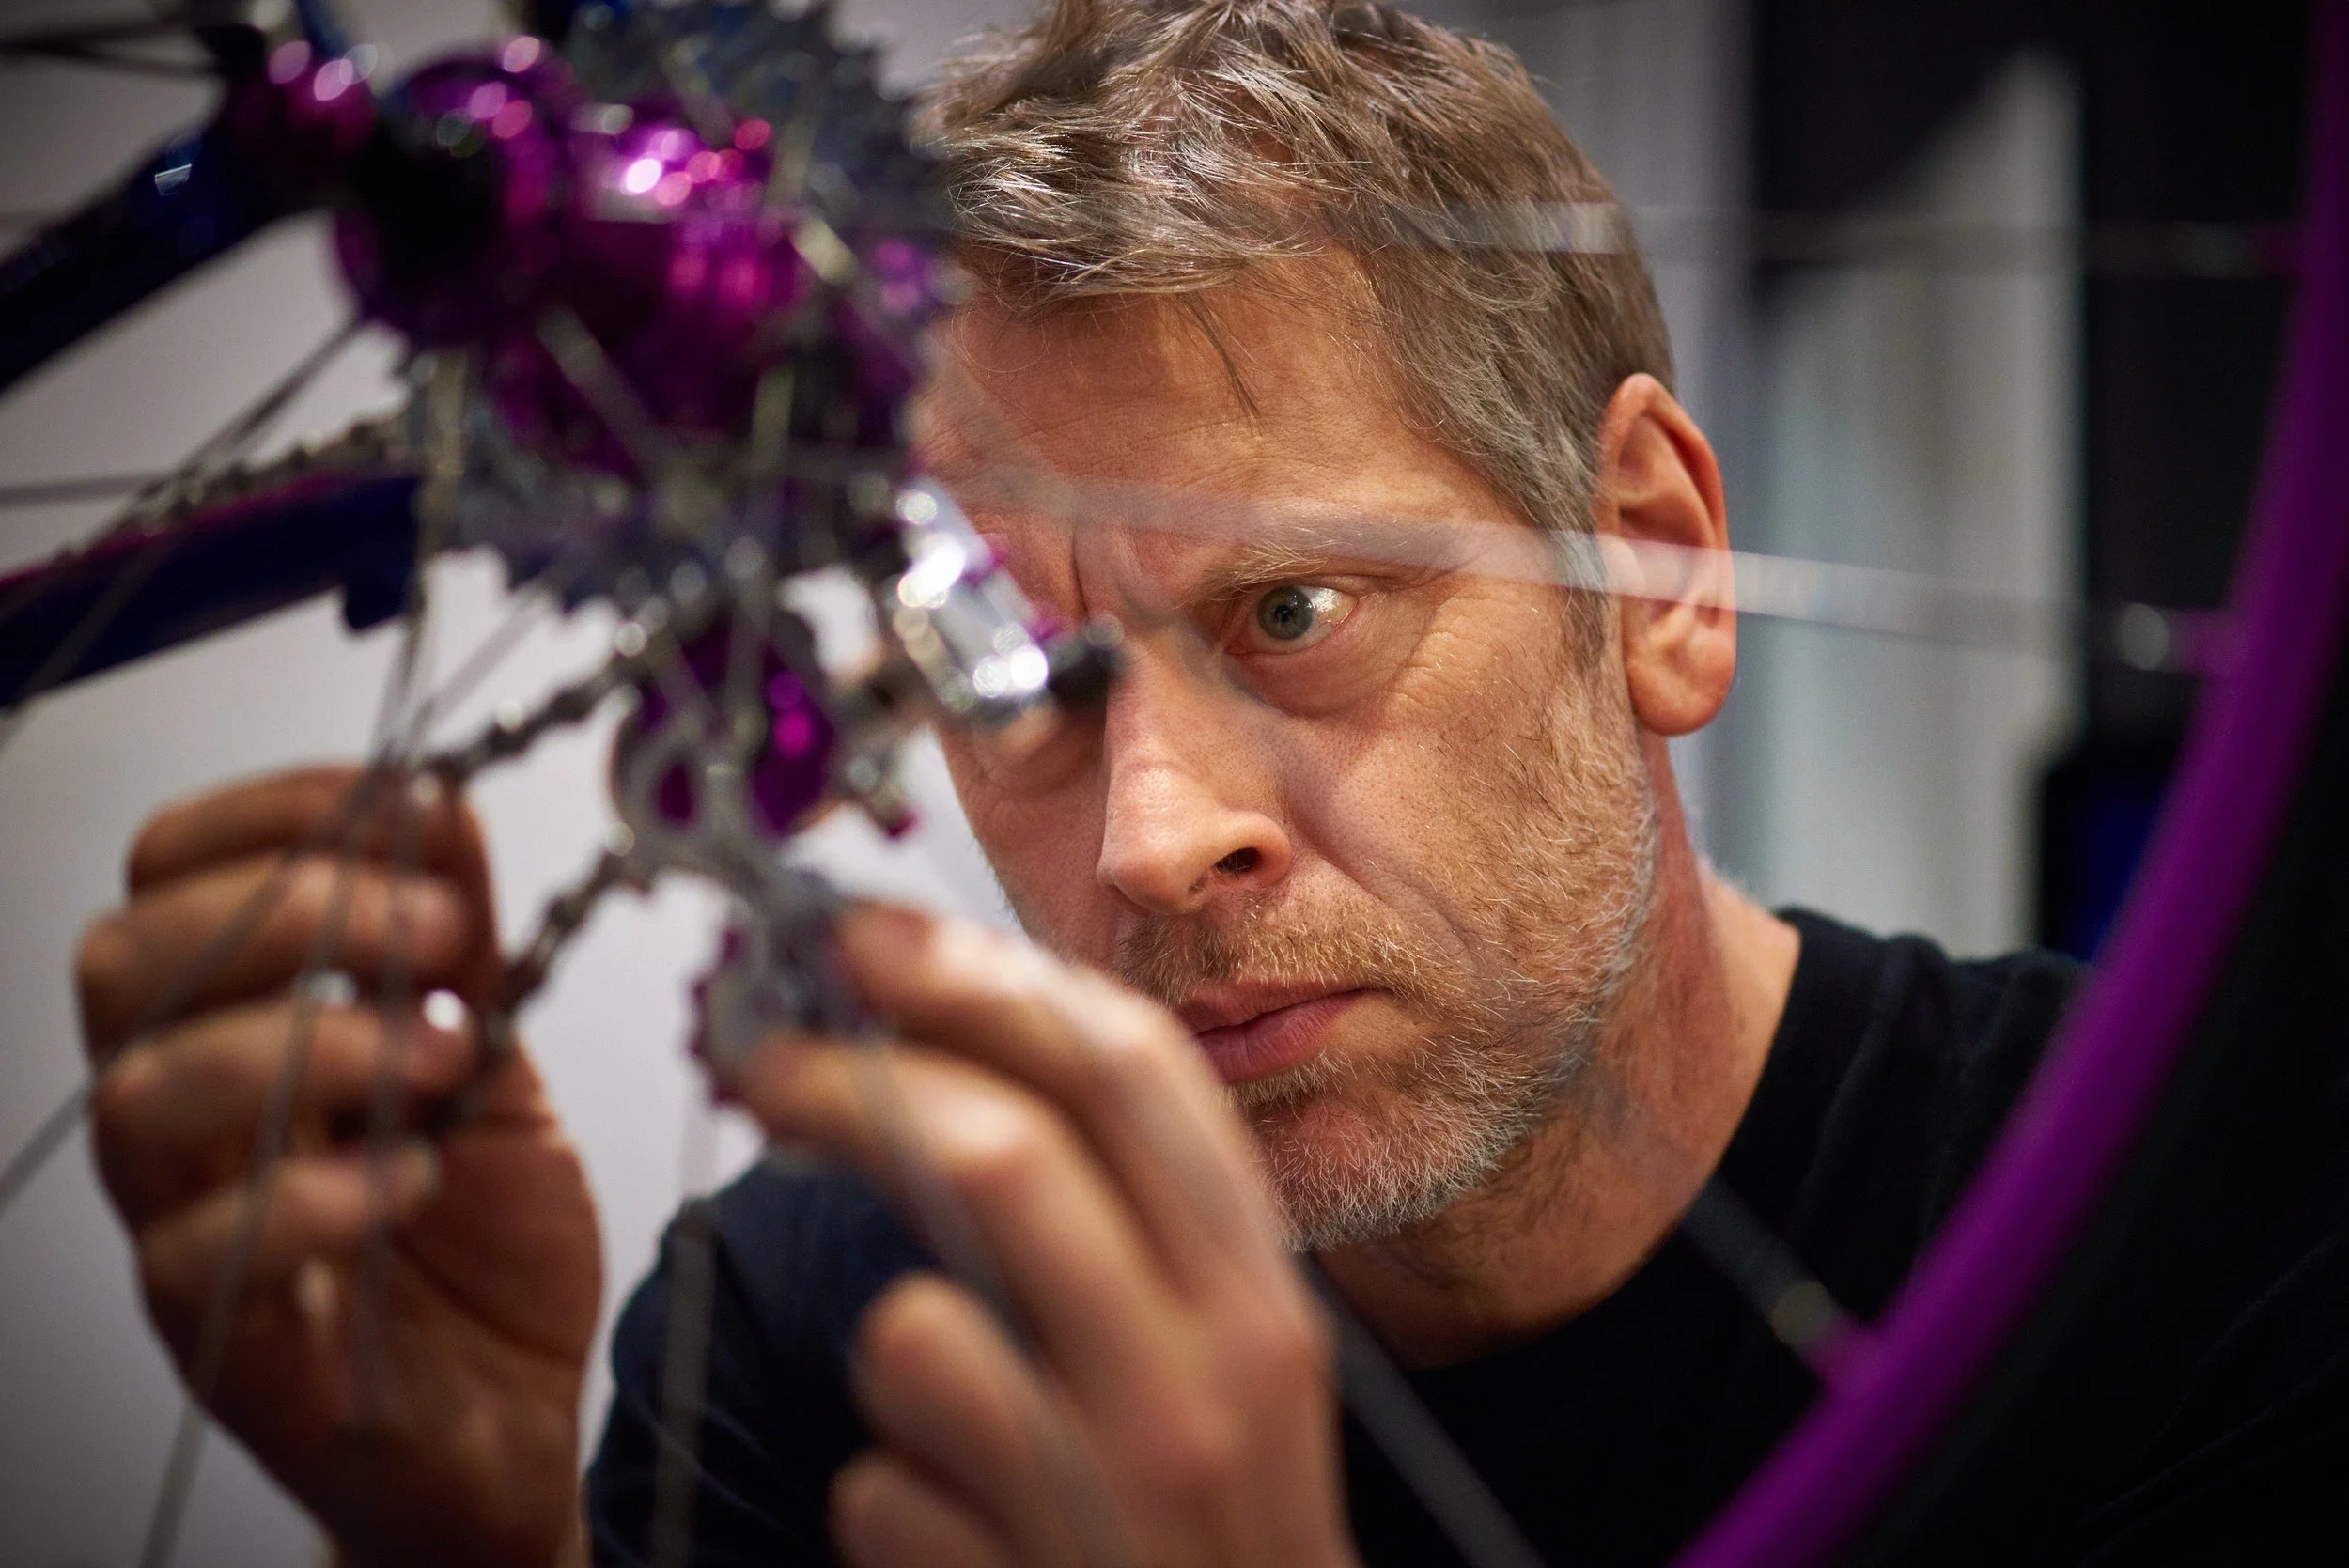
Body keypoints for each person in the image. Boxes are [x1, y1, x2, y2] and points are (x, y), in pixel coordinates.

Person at [69, 3, 2345, 1566]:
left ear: (1649, 562)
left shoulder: (2202, 1233)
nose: (1152, 842)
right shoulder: (797, 1343)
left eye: (1291, 615)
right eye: (1005, 668)